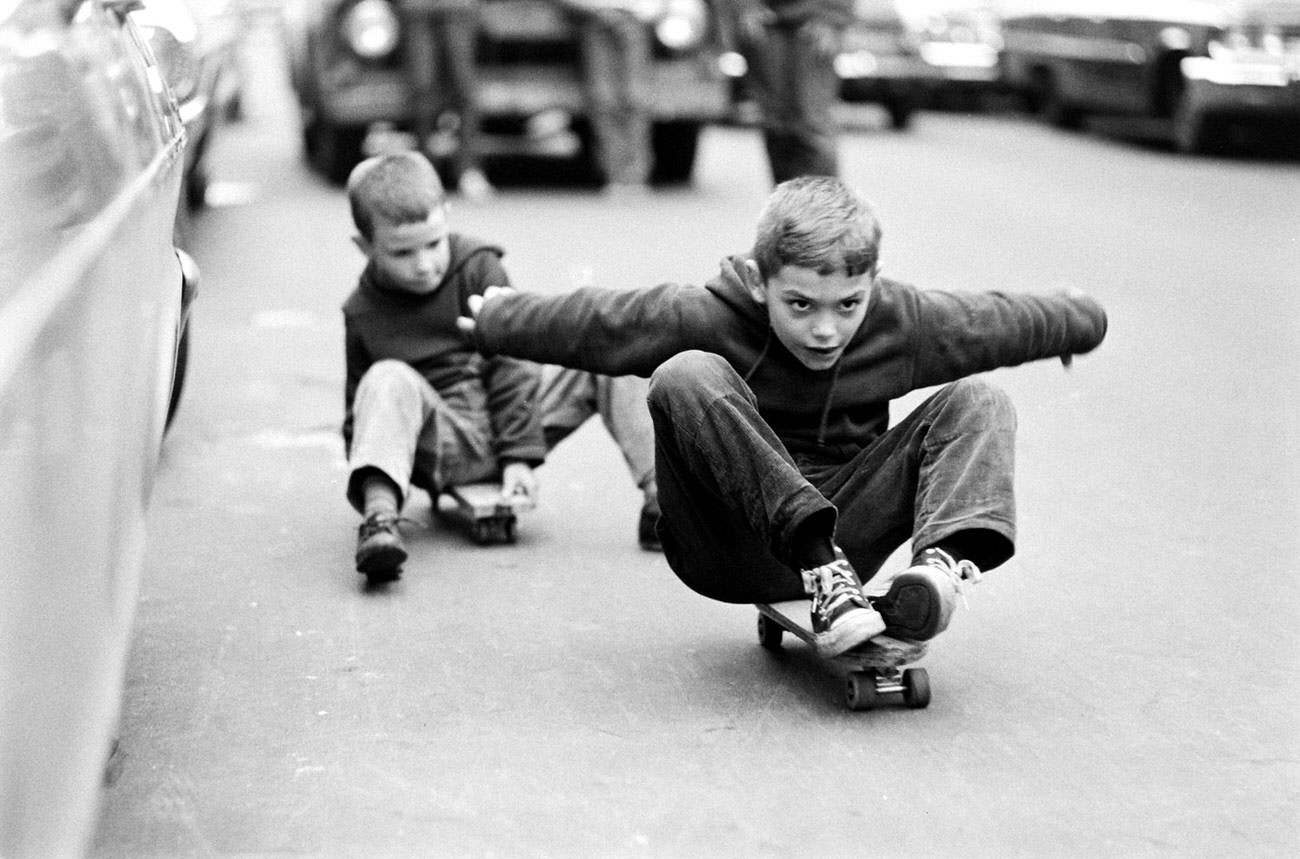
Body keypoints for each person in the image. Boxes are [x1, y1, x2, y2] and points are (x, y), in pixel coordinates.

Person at [459, 176, 1108, 657]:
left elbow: (997, 323)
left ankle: (936, 572)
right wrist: (495, 320)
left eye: (847, 304)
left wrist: (1081, 321)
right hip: (726, 541)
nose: (826, 330)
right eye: (799, 305)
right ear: (757, 279)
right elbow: (600, 322)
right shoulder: (709, 315)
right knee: (687, 371)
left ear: (873, 282)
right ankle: (818, 567)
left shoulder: (899, 323)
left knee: (980, 399)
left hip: (851, 539)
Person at [341, 151, 659, 582]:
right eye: (402, 252)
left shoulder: (478, 267)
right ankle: (379, 523)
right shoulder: (362, 312)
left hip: (515, 417)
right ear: (365, 247)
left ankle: (661, 499)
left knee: (610, 348)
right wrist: (390, 466)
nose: (424, 264)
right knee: (385, 379)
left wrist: (518, 457)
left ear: (446, 217)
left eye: (433, 244)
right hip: (444, 441)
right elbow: (358, 417)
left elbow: (514, 360)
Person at [734, 0, 850, 184]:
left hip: (814, 22)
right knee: (776, 122)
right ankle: (786, 202)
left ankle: (824, 204)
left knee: (811, 122)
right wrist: (745, 8)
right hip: (766, 22)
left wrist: (830, 18)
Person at [400, 0, 494, 201]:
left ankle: (468, 170)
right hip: (419, 10)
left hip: (457, 8)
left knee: (464, 90)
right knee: (422, 90)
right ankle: (424, 174)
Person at [556, 0, 653, 192]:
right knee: (603, 99)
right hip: (594, 21)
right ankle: (615, 175)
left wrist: (641, 12)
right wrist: (599, 11)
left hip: (634, 20)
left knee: (635, 97)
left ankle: (636, 176)